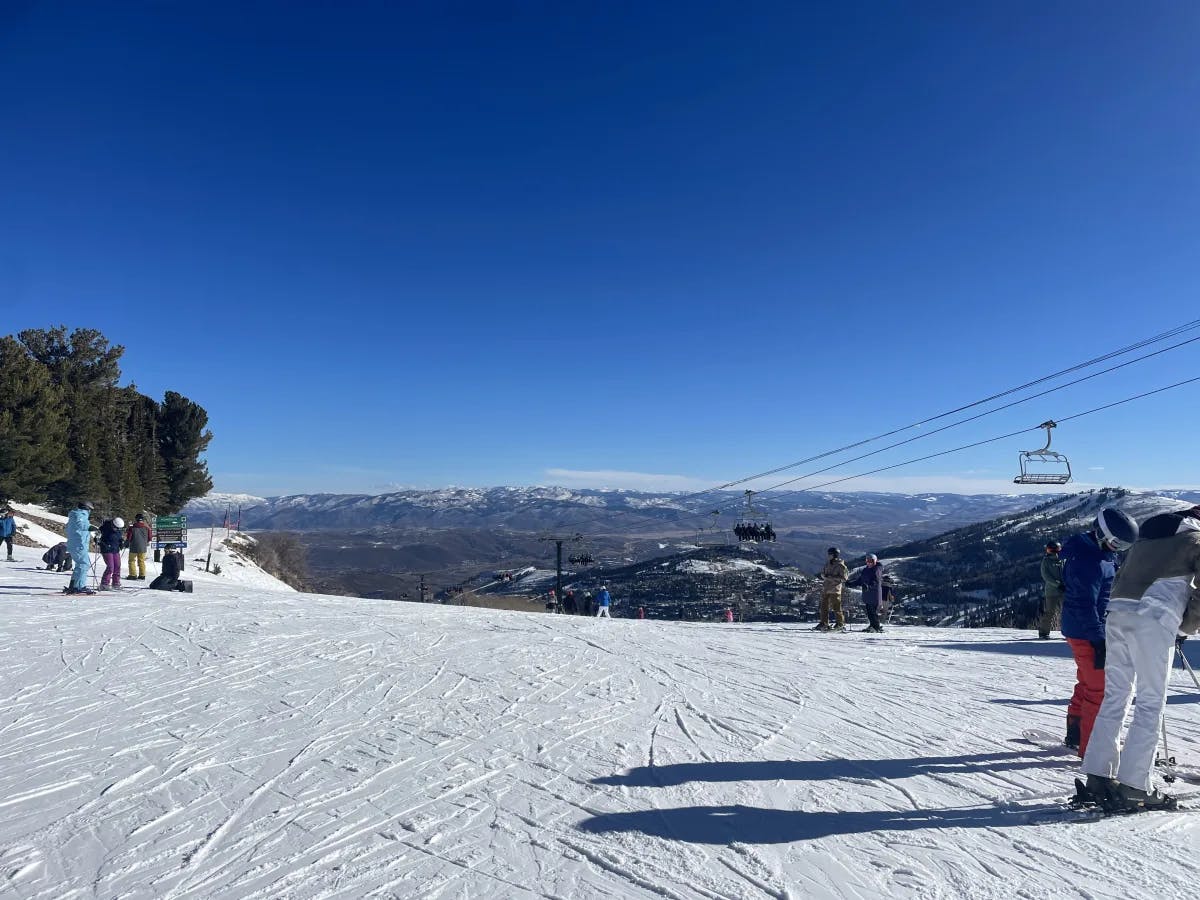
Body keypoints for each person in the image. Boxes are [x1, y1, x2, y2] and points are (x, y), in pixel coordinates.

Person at [1080, 506, 1200, 811]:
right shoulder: (1197, 538)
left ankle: (1098, 774)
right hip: (1154, 616)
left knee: (1116, 696)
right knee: (1150, 701)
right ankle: (1135, 785)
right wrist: (1186, 624)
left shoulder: (1151, 529)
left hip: (1118, 612)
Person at [1060, 507, 1139, 756]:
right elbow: (1084, 604)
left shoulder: (1098, 552)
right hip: (1086, 632)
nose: (1117, 549)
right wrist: (1097, 638)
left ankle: (1076, 732)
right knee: (1100, 689)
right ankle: (1092, 749)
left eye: (1123, 546)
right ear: (1100, 532)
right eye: (1116, 543)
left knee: (1087, 681)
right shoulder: (1089, 561)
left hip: (1083, 628)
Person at [64, 501, 97, 594]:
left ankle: (74, 585)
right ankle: (79, 586)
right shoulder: (80, 515)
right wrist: (91, 527)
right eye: (90, 509)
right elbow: (81, 524)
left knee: (80, 564)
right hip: (79, 544)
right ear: (87, 508)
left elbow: (71, 528)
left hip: (75, 544)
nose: (90, 511)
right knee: (83, 564)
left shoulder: (74, 515)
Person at [849, 553, 885, 632]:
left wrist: (869, 586)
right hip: (867, 594)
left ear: (875, 561)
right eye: (867, 561)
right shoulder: (866, 570)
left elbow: (876, 581)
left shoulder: (877, 569)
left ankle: (876, 627)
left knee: (873, 611)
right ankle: (872, 625)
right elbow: (860, 580)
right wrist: (850, 583)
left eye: (871, 561)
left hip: (875, 594)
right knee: (869, 611)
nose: (869, 563)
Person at [817, 546, 849, 631]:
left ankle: (840, 623)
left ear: (835, 555)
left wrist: (831, 577)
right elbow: (823, 574)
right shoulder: (827, 564)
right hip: (826, 588)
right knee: (823, 607)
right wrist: (824, 576)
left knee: (836, 607)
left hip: (835, 589)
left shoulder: (841, 566)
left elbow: (844, 578)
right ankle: (823, 623)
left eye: (830, 554)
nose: (828, 556)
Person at [1039, 540, 1066, 639]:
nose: (1050, 552)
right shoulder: (1046, 561)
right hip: (1052, 591)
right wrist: (1058, 584)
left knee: (1067, 611)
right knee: (1049, 611)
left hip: (1064, 589)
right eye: (1049, 550)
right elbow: (1046, 576)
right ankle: (1043, 632)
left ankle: (1069, 632)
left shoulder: (1063, 560)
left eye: (1052, 550)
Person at [97, 516, 125, 590]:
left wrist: (121, 542)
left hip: (115, 549)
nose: (117, 529)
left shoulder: (118, 529)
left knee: (117, 566)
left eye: (119, 528)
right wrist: (100, 543)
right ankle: (104, 584)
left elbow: (119, 537)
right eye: (116, 528)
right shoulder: (105, 528)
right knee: (110, 567)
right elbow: (97, 537)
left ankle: (116, 583)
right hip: (106, 550)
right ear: (113, 524)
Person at [125, 513, 153, 581]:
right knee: (141, 561)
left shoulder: (132, 528)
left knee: (131, 561)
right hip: (143, 547)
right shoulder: (147, 528)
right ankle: (142, 575)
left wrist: (127, 542)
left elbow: (129, 538)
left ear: (136, 519)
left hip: (133, 546)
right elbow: (150, 538)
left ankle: (133, 575)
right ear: (142, 519)